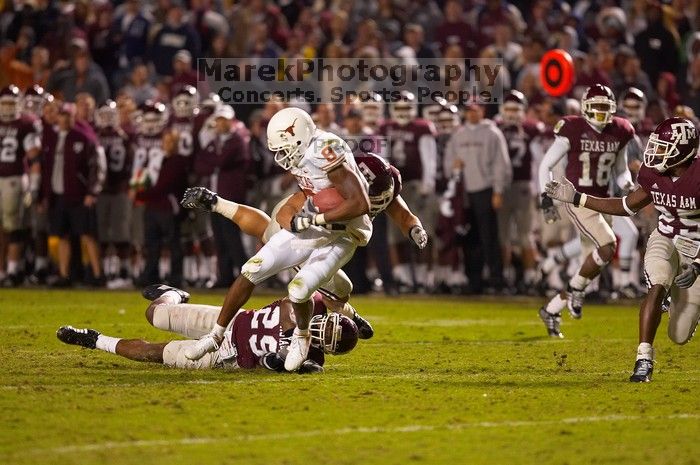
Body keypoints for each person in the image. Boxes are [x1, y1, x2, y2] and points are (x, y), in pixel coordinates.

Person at [182, 106, 372, 372]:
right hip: (313, 224)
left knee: (314, 288)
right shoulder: (300, 176)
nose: (282, 157)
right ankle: (214, 336)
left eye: (285, 148)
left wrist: (313, 219)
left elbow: (357, 202)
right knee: (255, 268)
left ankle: (305, 335)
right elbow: (289, 208)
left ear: (299, 137)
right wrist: (293, 218)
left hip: (340, 232)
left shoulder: (324, 150)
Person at [544, 117, 700, 382]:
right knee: (658, 282)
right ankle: (643, 359)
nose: (655, 153)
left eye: (664, 148)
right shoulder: (653, 174)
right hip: (664, 237)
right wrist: (576, 197)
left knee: (679, 335)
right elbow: (625, 205)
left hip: (696, 246)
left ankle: (682, 302)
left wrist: (698, 264)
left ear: (684, 150)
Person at [56, 285, 358, 373]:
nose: (322, 333)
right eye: (328, 326)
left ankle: (94, 340)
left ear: (328, 349)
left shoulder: (313, 360)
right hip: (227, 320)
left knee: (155, 353)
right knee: (155, 314)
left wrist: (284, 362)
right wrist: (351, 314)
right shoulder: (309, 306)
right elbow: (304, 296)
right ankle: (173, 293)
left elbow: (270, 363)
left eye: (327, 339)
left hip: (226, 354)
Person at [537, 84, 635, 337]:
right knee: (608, 246)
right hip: (577, 199)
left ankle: (551, 309)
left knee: (590, 268)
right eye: (598, 107)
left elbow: (620, 168)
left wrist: (627, 183)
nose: (602, 113)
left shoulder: (621, 130)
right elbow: (545, 164)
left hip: (603, 201)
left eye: (606, 107)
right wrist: (544, 196)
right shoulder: (573, 128)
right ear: (586, 108)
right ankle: (576, 291)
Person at [444, 101, 511, 293]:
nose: (472, 114)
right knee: (469, 239)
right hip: (464, 193)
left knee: (489, 237)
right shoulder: (458, 134)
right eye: (469, 111)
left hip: (485, 189)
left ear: (482, 111)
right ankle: (474, 280)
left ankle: (496, 279)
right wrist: (453, 167)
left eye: (475, 110)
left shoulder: (492, 133)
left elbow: (501, 164)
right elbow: (448, 162)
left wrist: (498, 190)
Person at [42, 102, 106, 287]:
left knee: (88, 235)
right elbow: (46, 169)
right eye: (62, 115)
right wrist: (45, 196)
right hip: (58, 194)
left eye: (68, 116)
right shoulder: (52, 138)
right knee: (62, 236)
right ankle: (64, 275)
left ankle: (97, 274)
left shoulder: (83, 137)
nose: (64, 119)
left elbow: (96, 166)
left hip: (78, 195)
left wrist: (92, 192)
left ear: (73, 117)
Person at [0, 85, 41, 285]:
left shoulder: (25, 123)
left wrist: (33, 186)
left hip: (14, 179)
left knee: (13, 227)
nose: (8, 108)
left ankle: (13, 270)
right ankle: (2, 271)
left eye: (11, 103)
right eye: (5, 103)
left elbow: (34, 158)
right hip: (7, 180)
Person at [94, 100, 132, 287]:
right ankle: (109, 270)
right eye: (105, 116)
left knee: (119, 232)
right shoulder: (120, 136)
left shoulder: (123, 136)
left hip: (116, 190)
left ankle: (121, 270)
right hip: (105, 191)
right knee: (104, 232)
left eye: (111, 115)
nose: (108, 120)